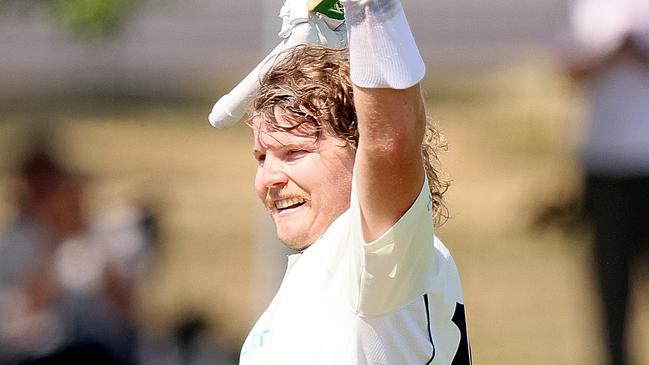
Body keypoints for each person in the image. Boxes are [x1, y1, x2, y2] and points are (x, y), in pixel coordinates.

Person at [211, 0, 471, 363]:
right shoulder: (315, 277)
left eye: (294, 152)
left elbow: (391, 140)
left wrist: (368, 10)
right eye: (261, 157)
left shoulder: (373, 265)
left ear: (359, 150)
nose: (269, 177)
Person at [561, 1, 649, 364]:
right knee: (610, 277)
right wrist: (610, 53)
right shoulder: (591, 6)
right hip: (604, 160)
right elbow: (568, 69)